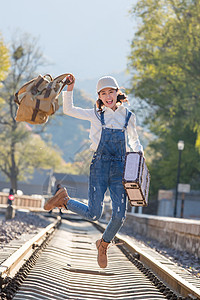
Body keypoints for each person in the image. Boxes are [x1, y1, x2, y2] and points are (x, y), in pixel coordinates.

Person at [44, 75, 144, 268]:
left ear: (117, 92)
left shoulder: (129, 117)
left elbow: (135, 142)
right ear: (99, 96)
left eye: (111, 92)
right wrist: (70, 88)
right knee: (94, 214)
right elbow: (69, 109)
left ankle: (103, 244)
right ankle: (64, 200)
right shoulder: (96, 114)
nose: (108, 96)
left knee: (119, 215)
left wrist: (139, 157)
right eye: (103, 93)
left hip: (120, 169)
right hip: (99, 166)